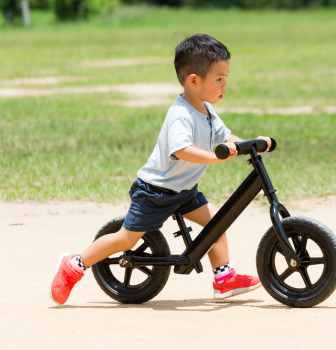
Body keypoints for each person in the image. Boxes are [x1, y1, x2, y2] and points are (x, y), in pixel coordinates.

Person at [49, 34, 271, 306]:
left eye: (226, 77)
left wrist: (251, 145)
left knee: (218, 223)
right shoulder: (180, 114)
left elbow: (226, 137)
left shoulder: (208, 110)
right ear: (194, 80)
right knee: (125, 239)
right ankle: (75, 264)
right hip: (155, 191)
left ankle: (223, 279)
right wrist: (214, 158)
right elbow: (181, 150)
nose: (225, 84)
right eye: (219, 78)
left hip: (185, 191)